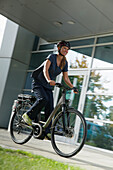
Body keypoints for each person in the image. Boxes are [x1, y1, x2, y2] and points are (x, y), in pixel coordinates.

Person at [22, 40, 78, 133]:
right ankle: (28, 115)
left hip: (48, 86)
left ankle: (46, 132)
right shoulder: (51, 57)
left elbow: (66, 78)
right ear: (59, 48)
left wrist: (73, 87)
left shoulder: (65, 63)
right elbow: (45, 69)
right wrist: (49, 80)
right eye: (64, 48)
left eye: (67, 49)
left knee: (50, 109)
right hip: (38, 83)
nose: (66, 51)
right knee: (43, 99)